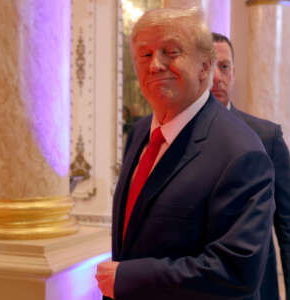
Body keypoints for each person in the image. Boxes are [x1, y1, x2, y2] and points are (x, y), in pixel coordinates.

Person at [96, 8, 275, 300]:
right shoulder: (140, 133)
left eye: (170, 52)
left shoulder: (241, 152)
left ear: (205, 66)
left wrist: (128, 278)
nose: (155, 65)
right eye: (145, 55)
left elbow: (236, 271)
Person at [211, 32, 290, 300]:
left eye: (224, 67)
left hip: (256, 290)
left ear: (233, 72)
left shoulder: (266, 138)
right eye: (209, 66)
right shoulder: (177, 138)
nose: (216, 77)